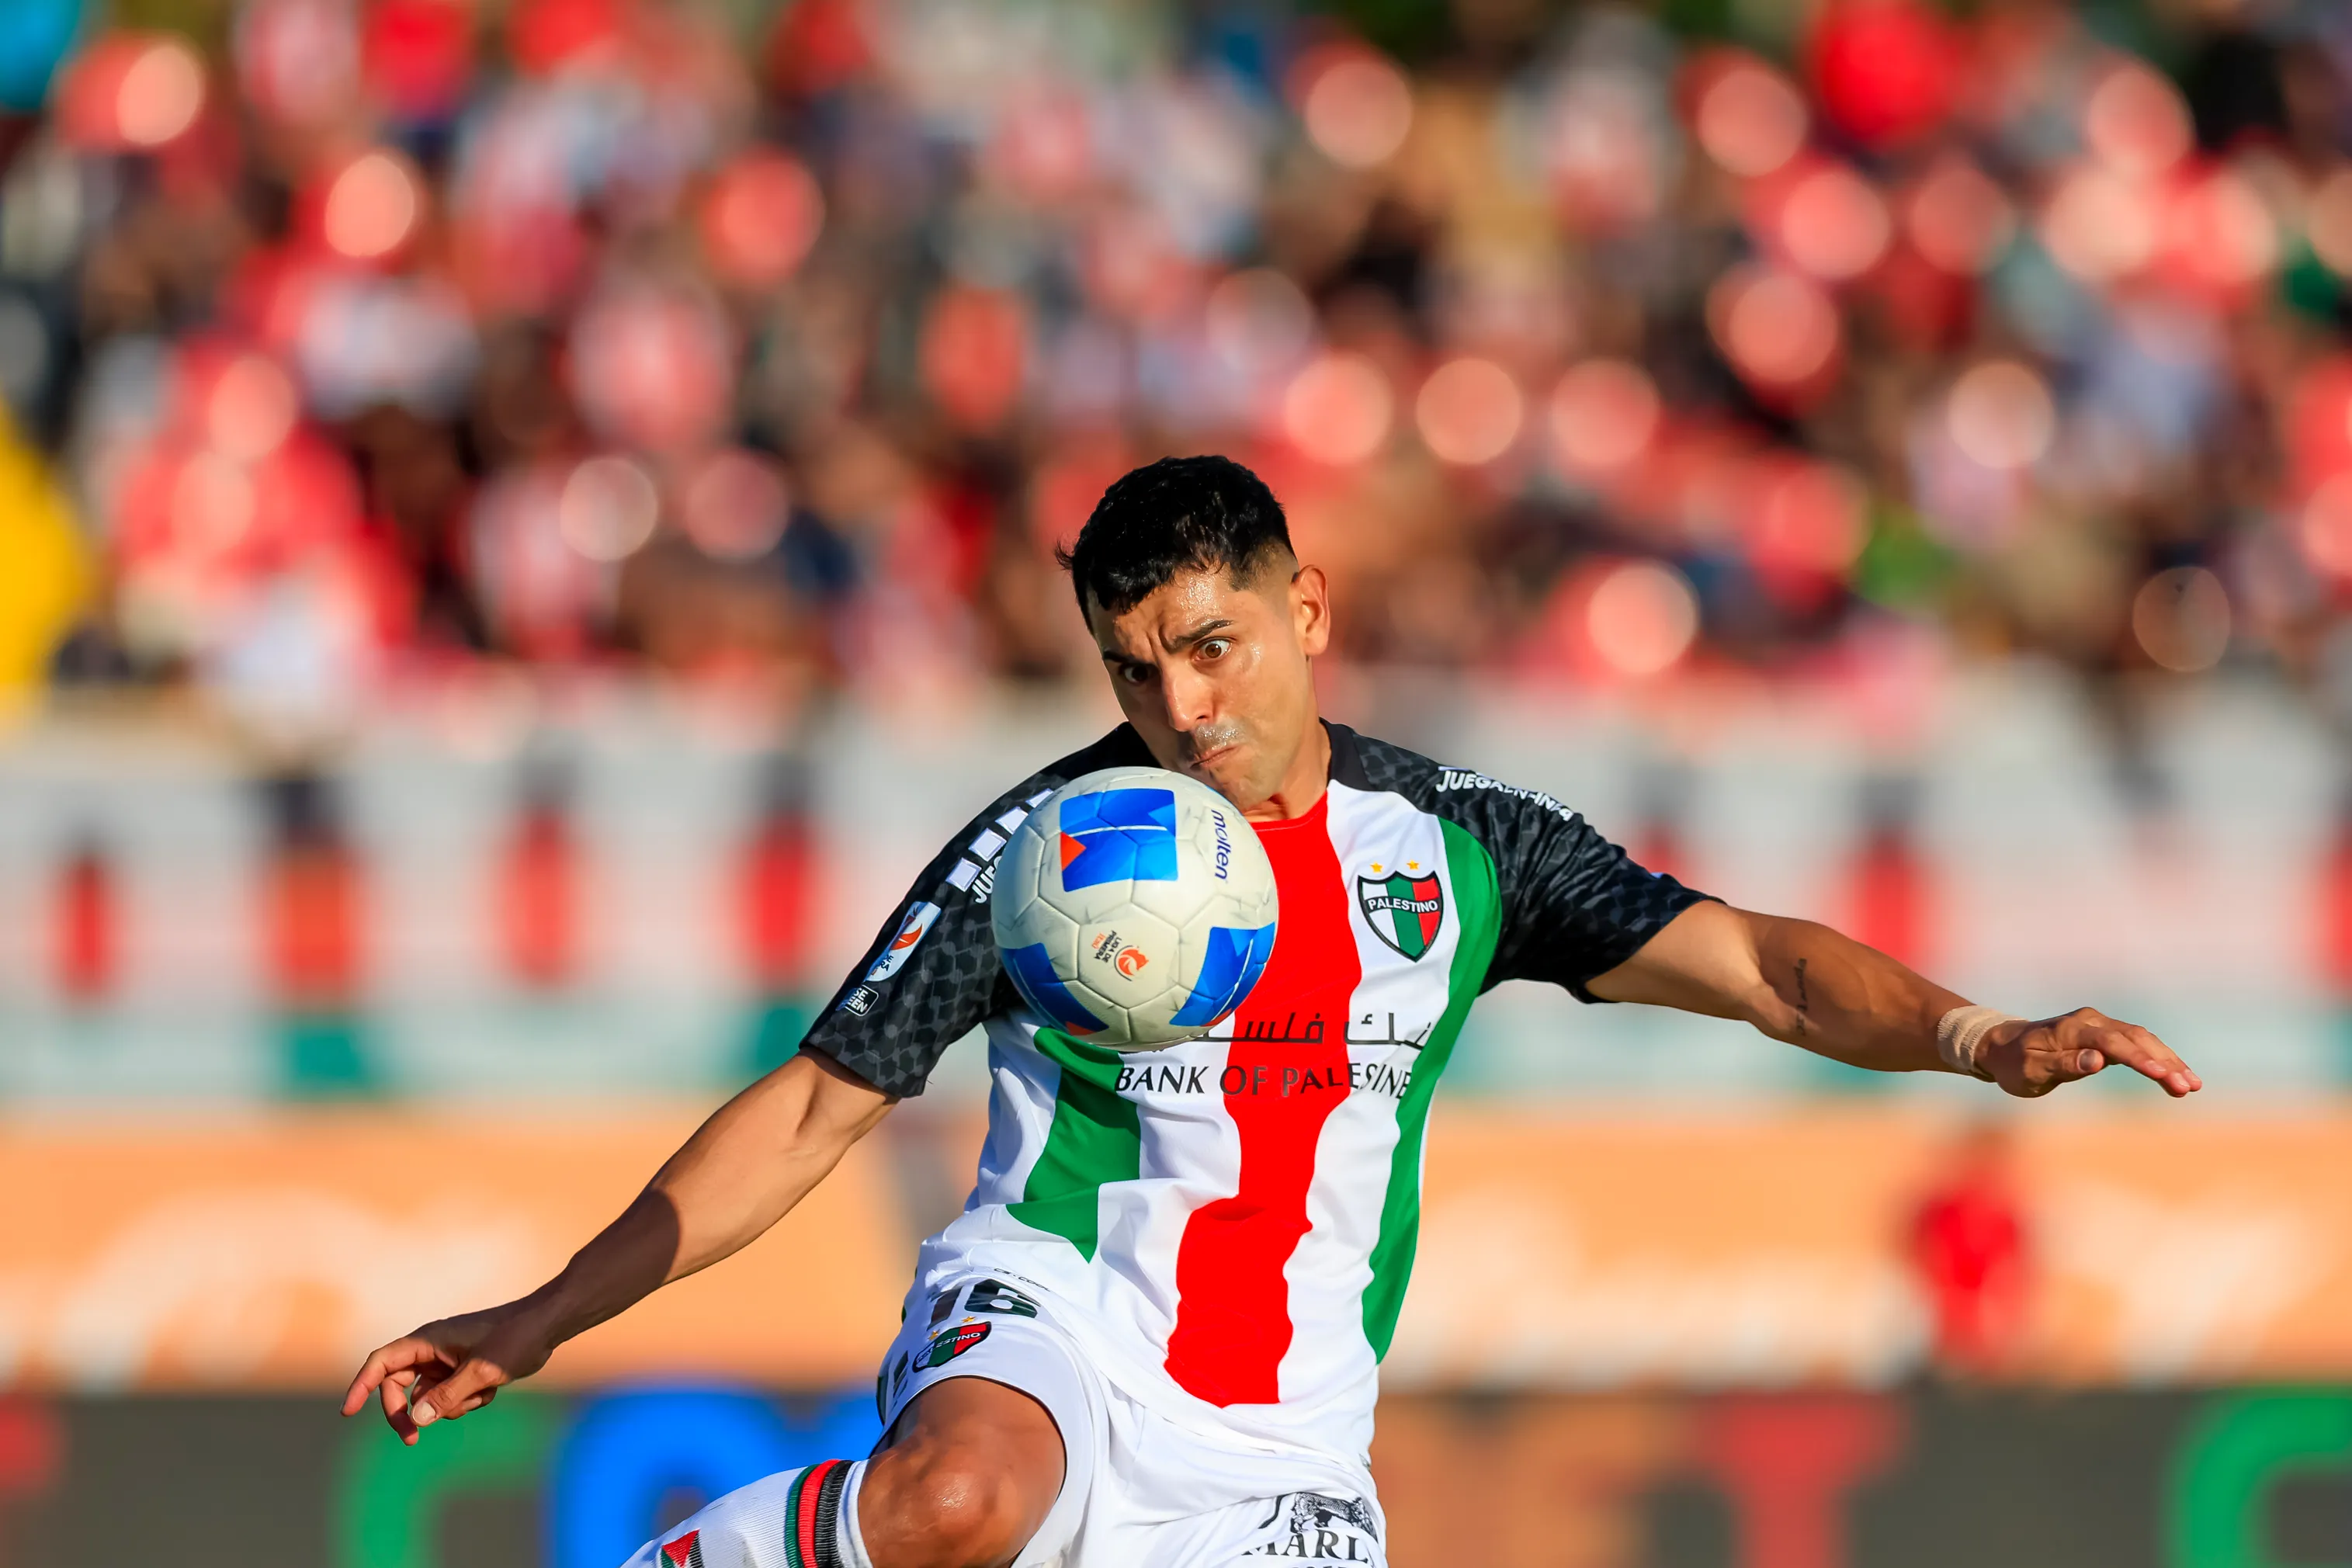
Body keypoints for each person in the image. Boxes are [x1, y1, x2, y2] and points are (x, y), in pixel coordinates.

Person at [341, 456, 2202, 1568]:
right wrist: (541, 1312)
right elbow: (820, 1103)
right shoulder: (1049, 849)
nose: (1184, 708)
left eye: (1212, 646)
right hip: (1050, 1315)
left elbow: (1768, 968)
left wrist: (1980, 1035)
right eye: (1135, 670)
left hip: (1284, 1445)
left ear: (1306, 606)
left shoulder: (1460, 845)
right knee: (958, 1500)